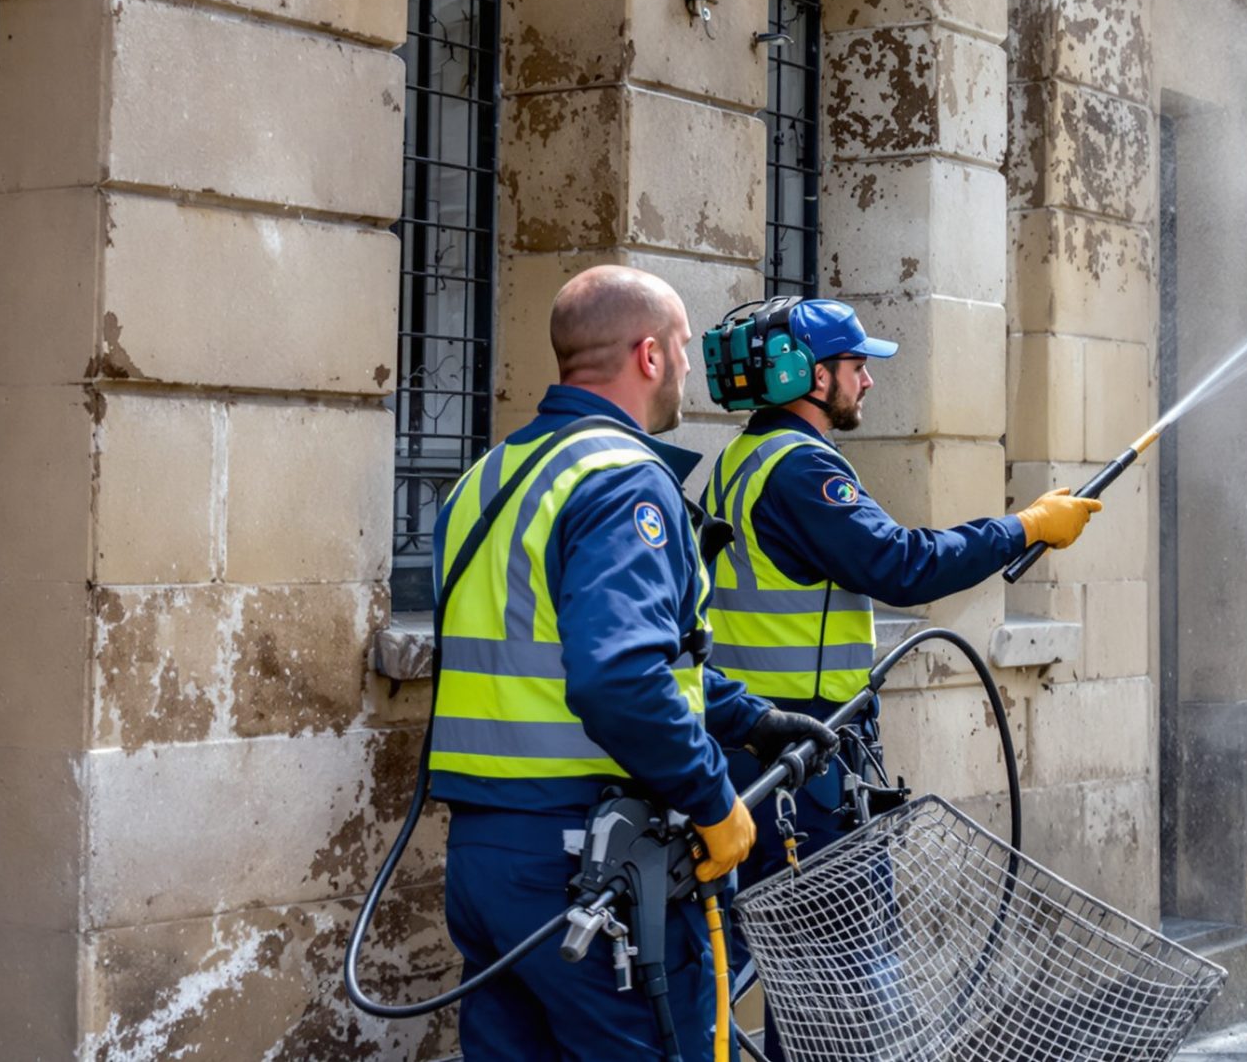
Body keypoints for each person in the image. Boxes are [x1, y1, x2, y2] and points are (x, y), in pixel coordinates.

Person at [429, 266, 836, 1061]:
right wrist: (714, 798)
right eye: (682, 346)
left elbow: (570, 651)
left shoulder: (487, 477)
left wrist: (751, 717)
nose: (688, 367)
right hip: (587, 858)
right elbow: (618, 676)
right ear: (648, 355)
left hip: (486, 859)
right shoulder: (623, 481)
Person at [701, 298, 1103, 860]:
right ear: (817, 376)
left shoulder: (743, 456)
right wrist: (1025, 527)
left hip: (760, 735)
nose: (867, 381)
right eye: (856, 366)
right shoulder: (802, 468)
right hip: (807, 744)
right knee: (850, 939)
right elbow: (902, 565)